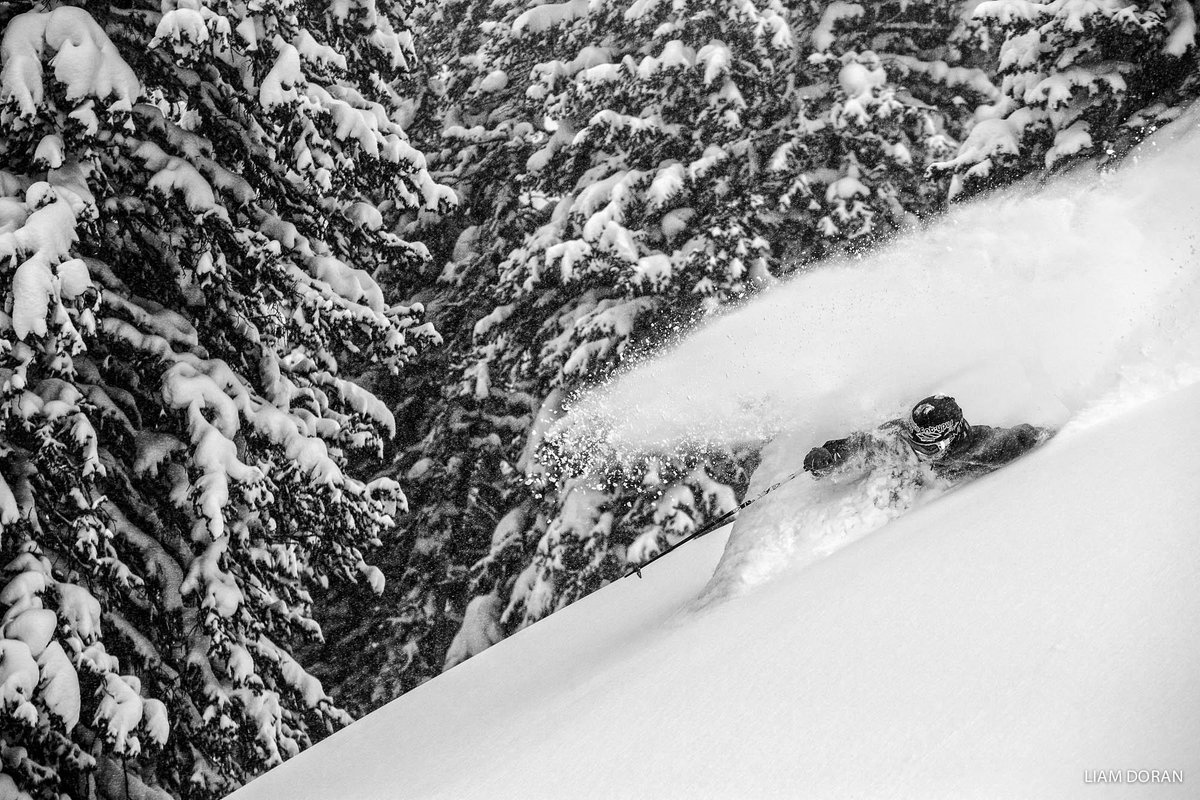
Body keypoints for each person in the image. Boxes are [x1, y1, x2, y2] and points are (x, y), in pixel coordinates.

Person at [802, 395, 1051, 482]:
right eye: (913, 437)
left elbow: (1026, 437)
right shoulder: (897, 438)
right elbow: (858, 445)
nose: (915, 447)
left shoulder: (980, 448)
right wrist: (829, 456)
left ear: (947, 439)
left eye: (926, 445)